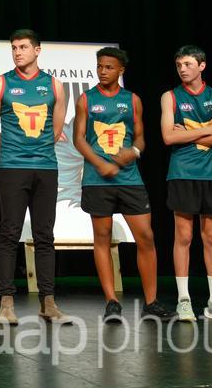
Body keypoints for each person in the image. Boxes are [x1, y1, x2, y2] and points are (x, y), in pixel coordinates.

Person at [71, 47, 174, 322]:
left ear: (121, 70)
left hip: (130, 179)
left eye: (108, 67)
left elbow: (141, 138)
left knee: (146, 237)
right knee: (102, 239)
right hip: (97, 180)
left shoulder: (132, 100)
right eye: (99, 66)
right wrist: (99, 163)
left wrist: (134, 152)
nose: (102, 71)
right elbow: (78, 138)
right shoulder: (86, 99)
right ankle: (112, 302)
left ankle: (151, 302)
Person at [0, 29, 69, 324]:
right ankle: (6, 302)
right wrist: (10, 151)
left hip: (46, 168)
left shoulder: (54, 85)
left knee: (45, 236)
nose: (17, 52)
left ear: (37, 50)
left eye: (22, 47)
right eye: (14, 48)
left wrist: (36, 150)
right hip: (12, 168)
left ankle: (48, 302)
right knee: (9, 233)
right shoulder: (0, 83)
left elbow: (56, 130)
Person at [160, 45, 212, 322]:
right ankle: (184, 299)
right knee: (183, 236)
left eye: (188, 64)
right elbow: (168, 137)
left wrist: (189, 134)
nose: (182, 68)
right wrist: (209, 129)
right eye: (179, 64)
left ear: (202, 66)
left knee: (211, 236)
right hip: (182, 172)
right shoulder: (170, 97)